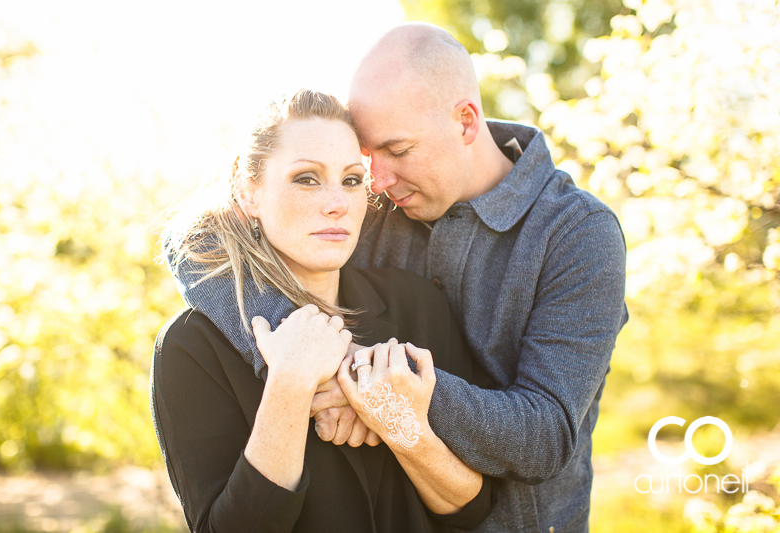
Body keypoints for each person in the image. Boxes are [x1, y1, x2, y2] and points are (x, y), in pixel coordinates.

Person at [169, 23, 629, 532]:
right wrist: (314, 355)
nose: (376, 183)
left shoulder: (577, 234)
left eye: (397, 150)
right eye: (367, 161)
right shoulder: (371, 205)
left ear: (466, 122)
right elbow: (191, 240)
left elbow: (544, 436)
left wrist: (375, 387)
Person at [150, 89, 495, 533]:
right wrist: (290, 388)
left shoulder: (416, 304)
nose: (337, 202)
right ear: (249, 191)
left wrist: (393, 422)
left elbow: (471, 506)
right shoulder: (190, 347)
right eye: (306, 178)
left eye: (352, 180)